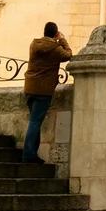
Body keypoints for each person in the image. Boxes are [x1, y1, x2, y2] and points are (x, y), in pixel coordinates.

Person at [18, 21, 71, 162]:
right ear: (55, 33)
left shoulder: (34, 44)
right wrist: (63, 40)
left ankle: (32, 153)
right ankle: (28, 154)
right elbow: (69, 55)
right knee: (35, 121)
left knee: (35, 121)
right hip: (43, 90)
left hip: (29, 87)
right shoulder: (56, 49)